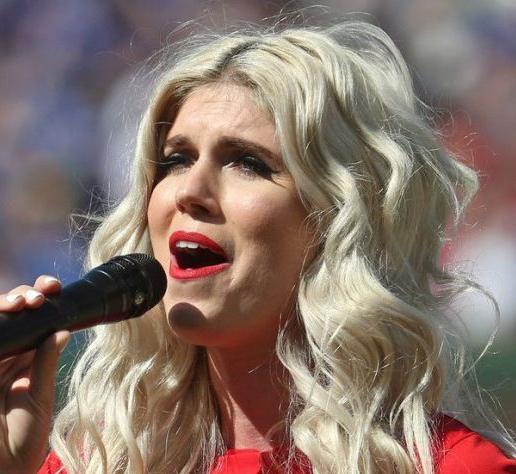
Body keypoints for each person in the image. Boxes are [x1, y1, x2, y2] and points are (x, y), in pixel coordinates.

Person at [0, 19, 515, 474]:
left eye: (247, 162)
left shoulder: (455, 467)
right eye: (176, 160)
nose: (190, 192)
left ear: (337, 219)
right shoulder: (98, 463)